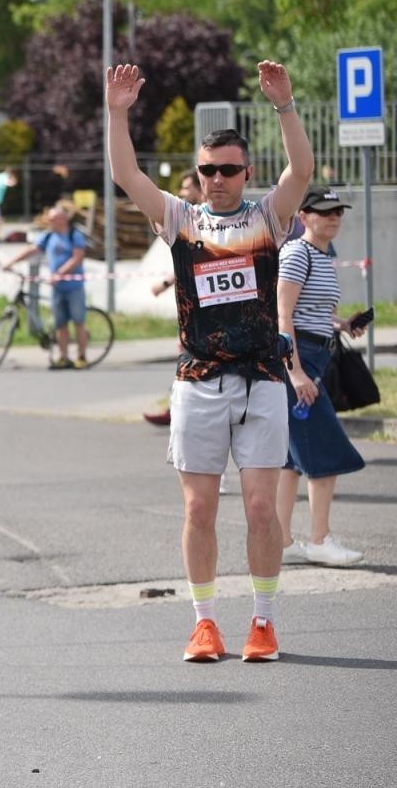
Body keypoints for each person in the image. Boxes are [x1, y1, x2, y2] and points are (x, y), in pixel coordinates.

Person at [107, 61, 312, 663]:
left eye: (227, 170)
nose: (217, 179)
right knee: (199, 508)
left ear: (246, 173)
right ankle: (204, 623)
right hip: (198, 380)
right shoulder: (180, 219)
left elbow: (302, 171)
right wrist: (117, 113)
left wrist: (285, 106)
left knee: (260, 508)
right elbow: (125, 174)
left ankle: (263, 621)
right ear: (196, 175)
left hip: (262, 380)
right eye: (207, 170)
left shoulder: (267, 218)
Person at [277, 186, 366, 567]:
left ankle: (281, 542)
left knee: (291, 459)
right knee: (324, 450)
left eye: (338, 212)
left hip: (314, 357)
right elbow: (282, 315)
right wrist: (295, 371)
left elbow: (309, 310)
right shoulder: (298, 253)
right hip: (299, 360)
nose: (333, 218)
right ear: (303, 217)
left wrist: (342, 323)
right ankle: (319, 540)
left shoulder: (322, 255)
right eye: (324, 212)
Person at [144, 171, 202, 426]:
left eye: (187, 187)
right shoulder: (186, 218)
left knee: (192, 356)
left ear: (200, 189)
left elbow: (192, 264)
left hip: (204, 308)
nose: (183, 192)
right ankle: (177, 405)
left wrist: (166, 283)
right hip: (191, 305)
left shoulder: (202, 221)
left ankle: (178, 408)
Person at [1, 204, 90, 368]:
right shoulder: (48, 236)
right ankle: (63, 357)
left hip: (74, 287)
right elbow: (32, 250)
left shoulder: (74, 235)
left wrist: (60, 273)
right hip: (57, 288)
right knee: (60, 324)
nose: (49, 222)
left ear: (62, 220)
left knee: (79, 323)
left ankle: (82, 357)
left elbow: (77, 258)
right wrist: (11, 262)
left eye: (52, 219)